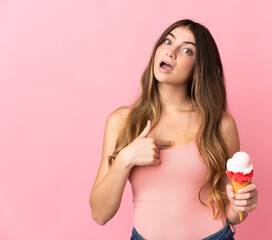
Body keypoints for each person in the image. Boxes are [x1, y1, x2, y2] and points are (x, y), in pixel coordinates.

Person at [89, 19, 258, 240]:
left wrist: (241, 205)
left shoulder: (220, 124)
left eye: (187, 50)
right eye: (168, 42)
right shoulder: (122, 121)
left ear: (199, 68)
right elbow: (100, 214)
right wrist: (126, 158)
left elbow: (231, 213)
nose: (171, 51)